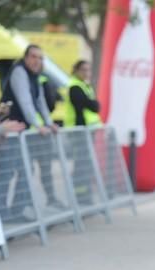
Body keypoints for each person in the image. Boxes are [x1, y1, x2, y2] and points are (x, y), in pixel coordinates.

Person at [0, 44, 62, 218]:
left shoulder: (35, 76)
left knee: (25, 170)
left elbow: (39, 101)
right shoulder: (19, 72)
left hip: (22, 130)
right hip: (11, 128)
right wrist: (38, 125)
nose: (37, 61)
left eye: (40, 57)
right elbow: (25, 100)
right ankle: (2, 210)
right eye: (34, 56)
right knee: (8, 171)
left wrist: (49, 123)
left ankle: (17, 210)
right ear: (25, 57)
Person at [64, 60, 101, 203]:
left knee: (85, 163)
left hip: (87, 131)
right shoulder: (75, 87)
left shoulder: (85, 86)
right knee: (81, 164)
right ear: (76, 70)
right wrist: (94, 104)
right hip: (78, 131)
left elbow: (95, 106)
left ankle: (85, 193)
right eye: (83, 70)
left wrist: (94, 104)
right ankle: (80, 195)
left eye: (88, 70)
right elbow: (92, 105)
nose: (86, 73)